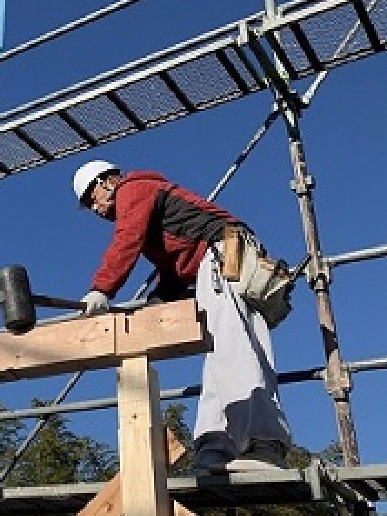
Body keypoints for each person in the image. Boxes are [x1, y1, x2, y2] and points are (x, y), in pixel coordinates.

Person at [71, 159, 293, 474]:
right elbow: (175, 268)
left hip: (224, 256)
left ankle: (264, 445)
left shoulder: (132, 189)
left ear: (107, 181)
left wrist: (101, 289)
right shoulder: (149, 210)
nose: (94, 208)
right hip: (218, 261)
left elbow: (126, 241)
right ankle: (215, 448)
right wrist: (156, 302)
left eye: (91, 197)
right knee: (221, 353)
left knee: (232, 347)